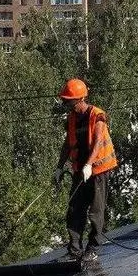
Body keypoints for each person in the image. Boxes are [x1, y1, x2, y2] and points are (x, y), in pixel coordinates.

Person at [53, 78, 118, 262]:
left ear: (79, 99)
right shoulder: (72, 118)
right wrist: (59, 167)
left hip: (98, 170)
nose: (65, 103)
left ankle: (93, 247)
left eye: (68, 100)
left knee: (96, 211)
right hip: (79, 171)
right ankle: (74, 250)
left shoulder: (96, 115)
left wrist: (89, 164)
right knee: (74, 209)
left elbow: (97, 142)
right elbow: (67, 145)